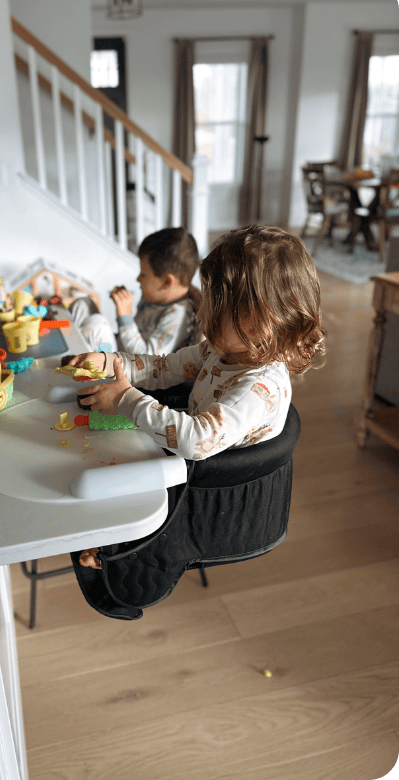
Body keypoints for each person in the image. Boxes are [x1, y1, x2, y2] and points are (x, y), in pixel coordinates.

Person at [68, 224, 326, 568]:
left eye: (213, 308)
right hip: (188, 465)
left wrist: (125, 401)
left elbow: (196, 440)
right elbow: (163, 367)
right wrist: (112, 361)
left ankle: (119, 554)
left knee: (103, 478)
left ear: (257, 322)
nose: (201, 316)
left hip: (207, 496)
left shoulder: (259, 389)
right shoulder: (220, 351)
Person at [69, 227, 202, 355]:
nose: (138, 279)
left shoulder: (179, 316)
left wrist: (125, 318)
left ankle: (71, 367)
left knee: (97, 326)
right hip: (121, 352)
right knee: (84, 303)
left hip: (131, 371)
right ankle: (69, 354)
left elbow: (147, 360)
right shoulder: (153, 298)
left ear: (167, 282)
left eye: (143, 275)